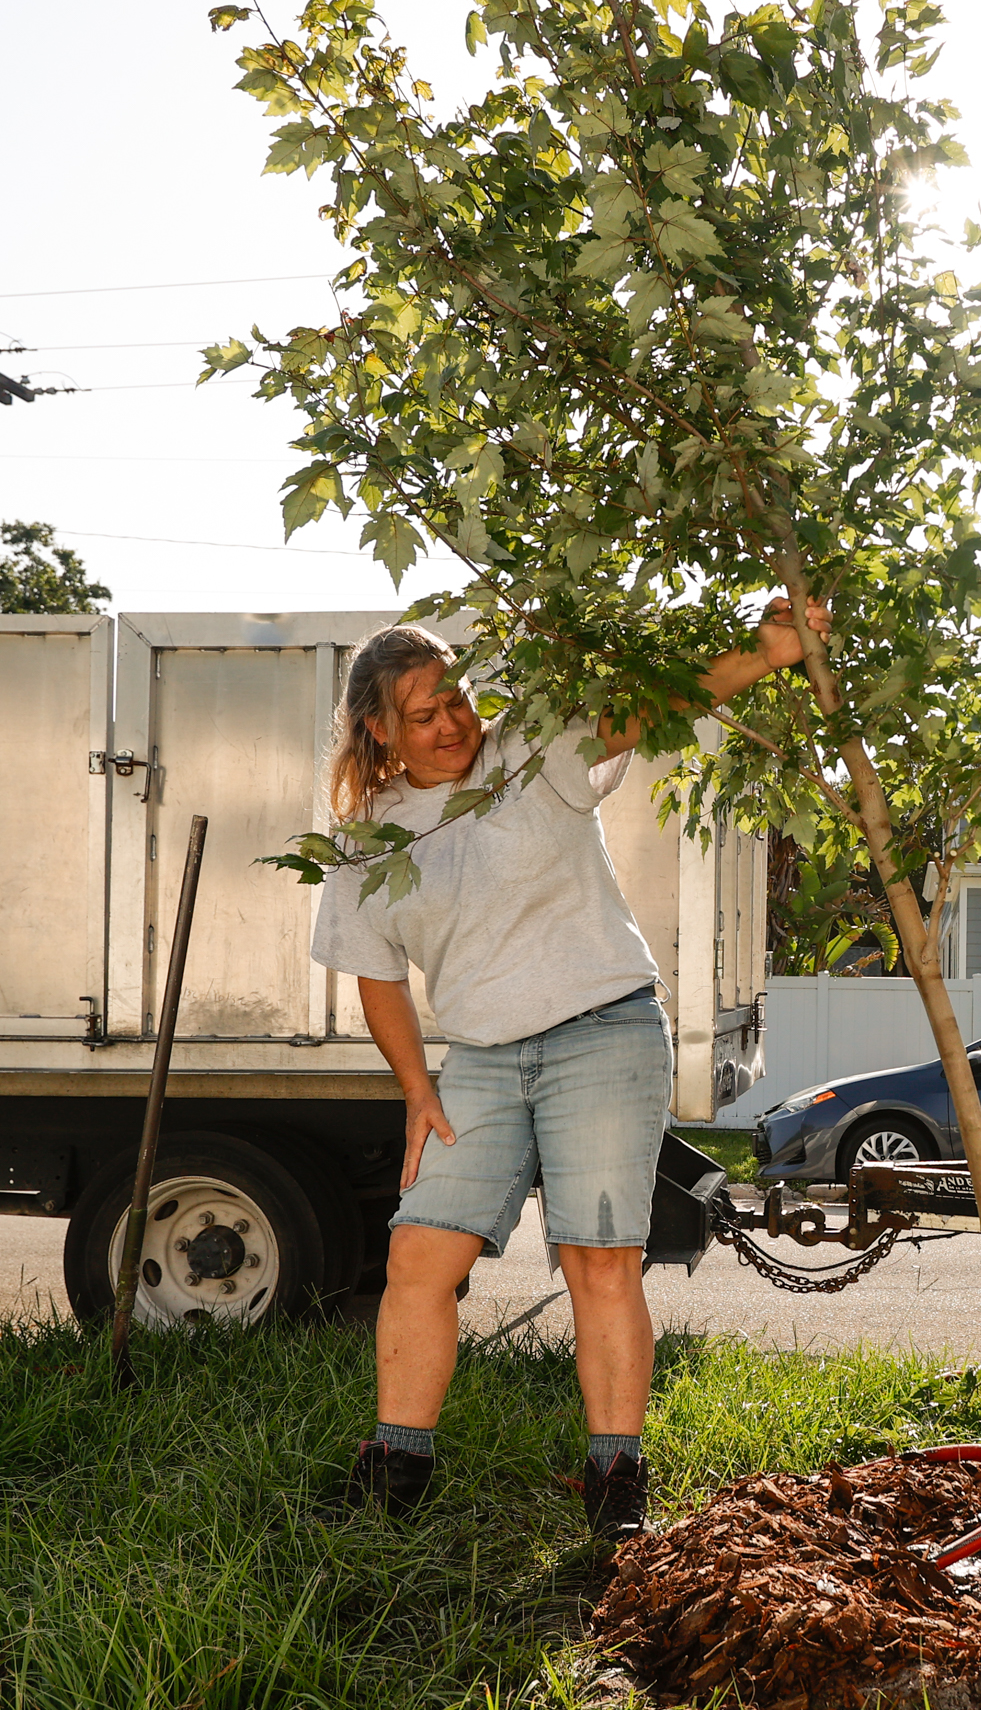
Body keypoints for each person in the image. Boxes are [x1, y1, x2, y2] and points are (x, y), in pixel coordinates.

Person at [313, 600, 826, 1538]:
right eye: (422, 717)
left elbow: (661, 703)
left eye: (456, 700)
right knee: (418, 1254)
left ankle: (616, 1482)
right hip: (480, 1058)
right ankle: (396, 1466)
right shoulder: (367, 839)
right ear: (377, 731)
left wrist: (767, 651)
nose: (453, 724)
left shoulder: (528, 751)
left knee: (599, 1258)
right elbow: (377, 975)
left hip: (603, 1034)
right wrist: (418, 1094)